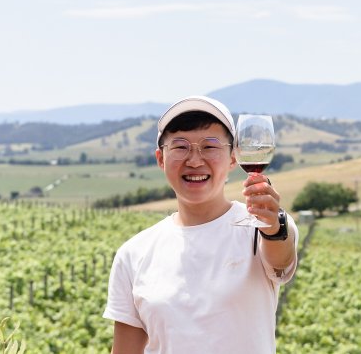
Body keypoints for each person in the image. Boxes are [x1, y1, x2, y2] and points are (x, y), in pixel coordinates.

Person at [104, 95, 299, 354]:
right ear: (160, 159)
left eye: (209, 146)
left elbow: (280, 261)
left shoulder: (264, 229)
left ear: (233, 158)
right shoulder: (134, 253)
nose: (195, 160)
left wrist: (274, 227)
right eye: (181, 147)